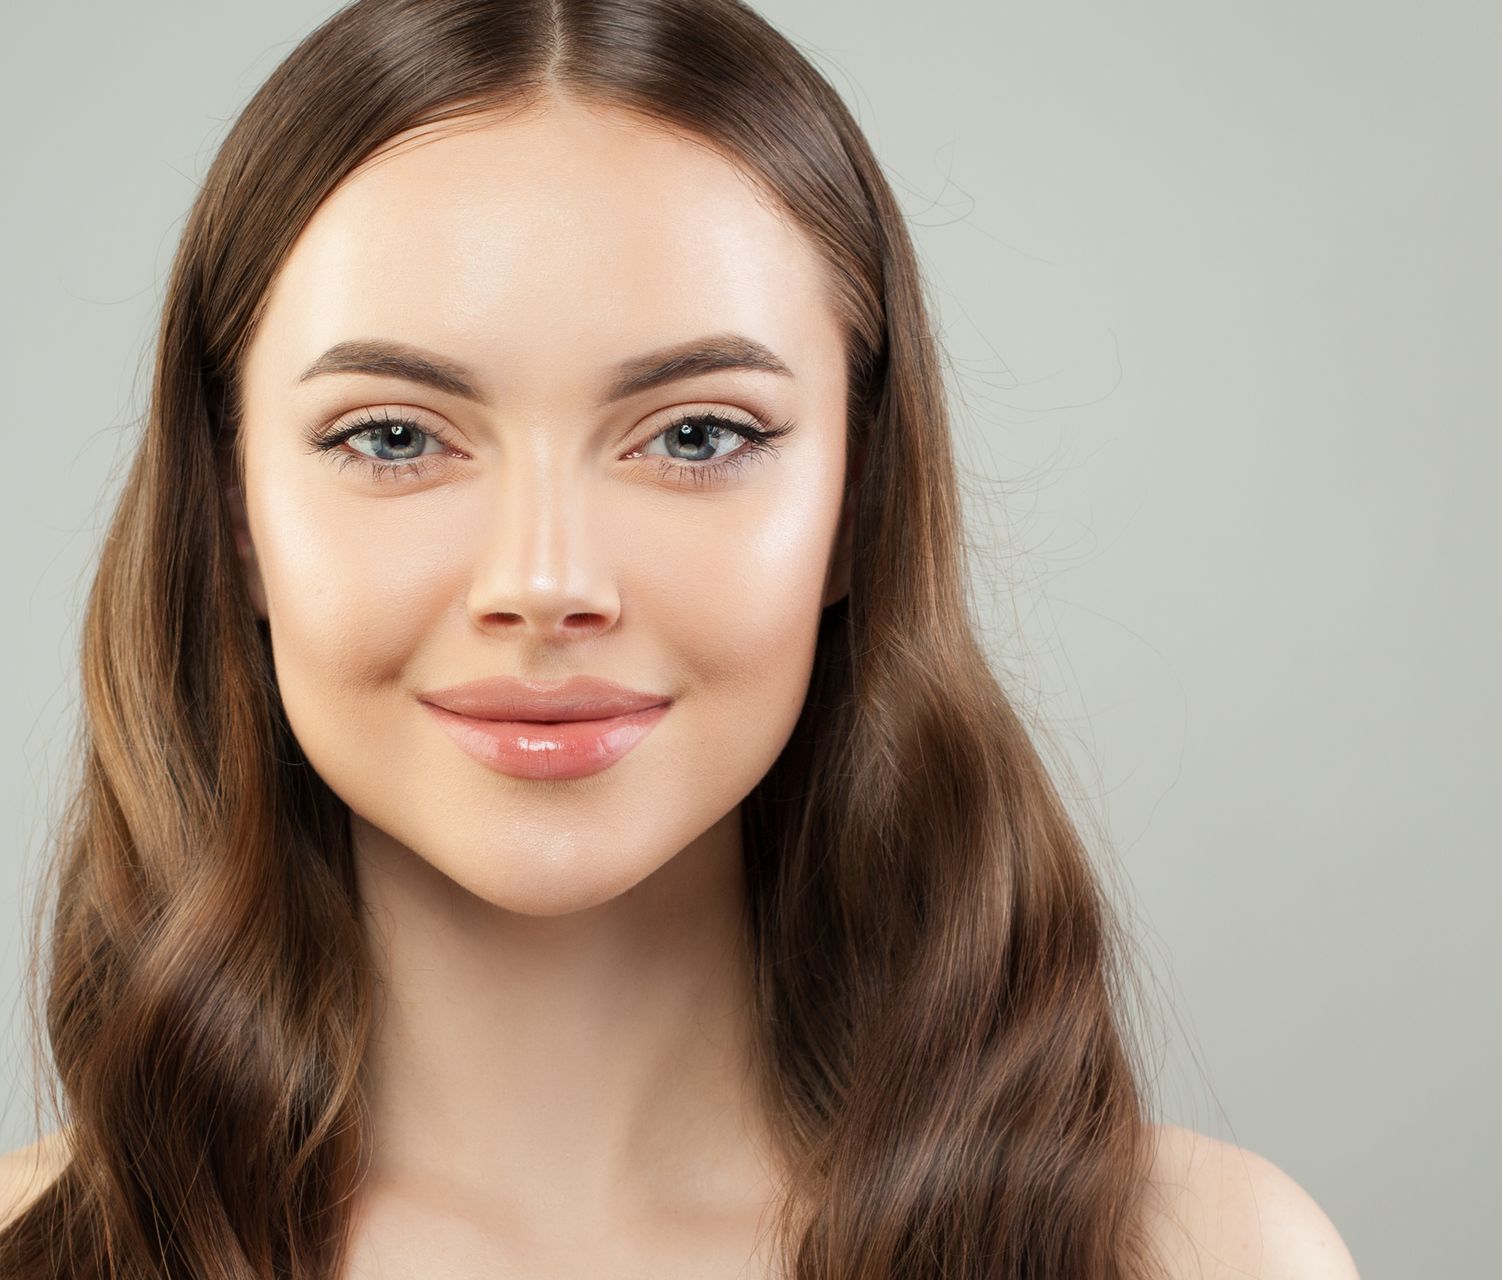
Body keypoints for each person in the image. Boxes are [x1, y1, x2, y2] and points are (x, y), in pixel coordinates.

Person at [0, 1, 1361, 1276]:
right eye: (395, 437)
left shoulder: (1197, 1255)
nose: (545, 581)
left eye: (699, 435)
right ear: (232, 507)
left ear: (858, 500)